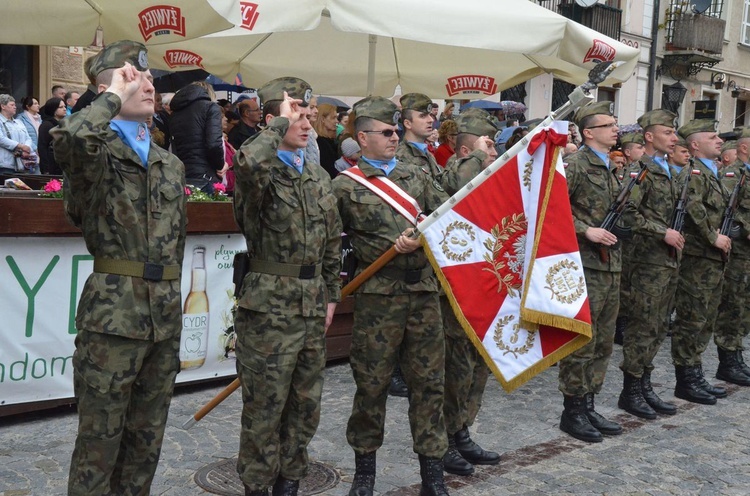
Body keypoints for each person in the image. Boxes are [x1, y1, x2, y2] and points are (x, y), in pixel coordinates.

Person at [50, 40, 187, 496]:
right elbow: (69, 138)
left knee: (146, 442)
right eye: (135, 76)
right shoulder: (96, 151)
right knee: (99, 445)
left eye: (148, 77)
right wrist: (110, 97)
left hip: (163, 320)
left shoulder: (170, 165)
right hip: (113, 319)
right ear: (106, 85)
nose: (148, 84)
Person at [333, 96, 450, 496]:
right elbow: (331, 245)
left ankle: (432, 472)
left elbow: (448, 221)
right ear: (362, 138)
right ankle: (365, 471)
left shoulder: (416, 176)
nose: (394, 137)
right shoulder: (345, 186)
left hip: (422, 292)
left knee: (429, 384)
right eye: (386, 132)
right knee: (371, 384)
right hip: (378, 299)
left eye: (396, 130)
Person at [232, 77, 342, 496]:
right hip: (269, 307)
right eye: (295, 109)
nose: (305, 117)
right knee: (264, 407)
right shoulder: (259, 171)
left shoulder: (316, 176)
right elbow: (245, 165)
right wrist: (276, 124)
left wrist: (332, 294)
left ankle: (290, 482)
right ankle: (257, 486)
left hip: (312, 304)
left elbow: (332, 243)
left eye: (307, 110)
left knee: (304, 405)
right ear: (272, 115)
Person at [439, 108, 501, 476]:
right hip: (459, 286)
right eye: (488, 148)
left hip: (487, 281)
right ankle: (447, 437)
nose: (494, 155)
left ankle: (463, 429)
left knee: (478, 366)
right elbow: (457, 190)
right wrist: (478, 153)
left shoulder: (490, 174)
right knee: (457, 366)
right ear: (466, 152)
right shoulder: (455, 171)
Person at [558, 101, 623, 443]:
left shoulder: (613, 168)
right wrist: (585, 229)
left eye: (615, 124)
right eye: (608, 125)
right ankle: (572, 410)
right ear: (588, 132)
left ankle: (589, 402)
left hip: (611, 263)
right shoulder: (576, 164)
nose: (616, 129)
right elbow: (551, 208)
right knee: (582, 339)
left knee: (603, 341)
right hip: (583, 262)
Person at [617, 110, 682, 420]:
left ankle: (644, 384)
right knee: (642, 326)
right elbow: (627, 213)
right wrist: (662, 232)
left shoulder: (667, 169)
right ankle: (630, 390)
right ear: (649, 136)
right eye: (668, 132)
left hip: (666, 261)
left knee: (658, 326)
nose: (674, 138)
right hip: (645, 260)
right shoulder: (639, 171)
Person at [671, 119, 731, 405]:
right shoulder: (692, 173)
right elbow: (693, 210)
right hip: (697, 256)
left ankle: (696, 373)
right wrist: (712, 237)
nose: (719, 140)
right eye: (712, 136)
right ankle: (686, 379)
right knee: (691, 318)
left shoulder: (712, 173)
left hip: (712, 259)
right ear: (695, 144)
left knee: (706, 318)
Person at [713, 127, 750, 386]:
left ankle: (737, 355)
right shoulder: (732, 173)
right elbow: (724, 208)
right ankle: (727, 360)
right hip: (737, 251)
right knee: (733, 305)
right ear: (744, 147)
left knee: (745, 306)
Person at [170, 81, 225, 193]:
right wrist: (220, 165)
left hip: (181, 176)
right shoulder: (210, 108)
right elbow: (214, 144)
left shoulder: (175, 113)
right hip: (206, 176)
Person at [0, 94, 35, 175]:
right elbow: (1, 139)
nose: (15, 107)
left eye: (15, 105)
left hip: (22, 164)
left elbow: (28, 138)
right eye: (12, 105)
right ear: (3, 106)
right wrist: (20, 146)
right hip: (5, 164)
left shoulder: (19, 122)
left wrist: (27, 148)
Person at [37, 98, 66, 175]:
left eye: (64, 106)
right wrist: (46, 169)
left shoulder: (63, 125)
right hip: (51, 166)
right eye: (61, 107)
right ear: (53, 109)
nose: (64, 109)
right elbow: (42, 147)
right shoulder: (46, 125)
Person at [313, 103, 340, 178]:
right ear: (323, 119)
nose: (337, 121)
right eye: (333, 118)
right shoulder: (321, 143)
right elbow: (329, 170)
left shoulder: (329, 141)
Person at [17, 96, 42, 174]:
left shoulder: (40, 118)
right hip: (29, 152)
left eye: (38, 103)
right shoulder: (21, 118)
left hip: (40, 151)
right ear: (28, 106)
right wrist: (34, 148)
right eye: (35, 104)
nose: (38, 105)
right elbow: (24, 136)